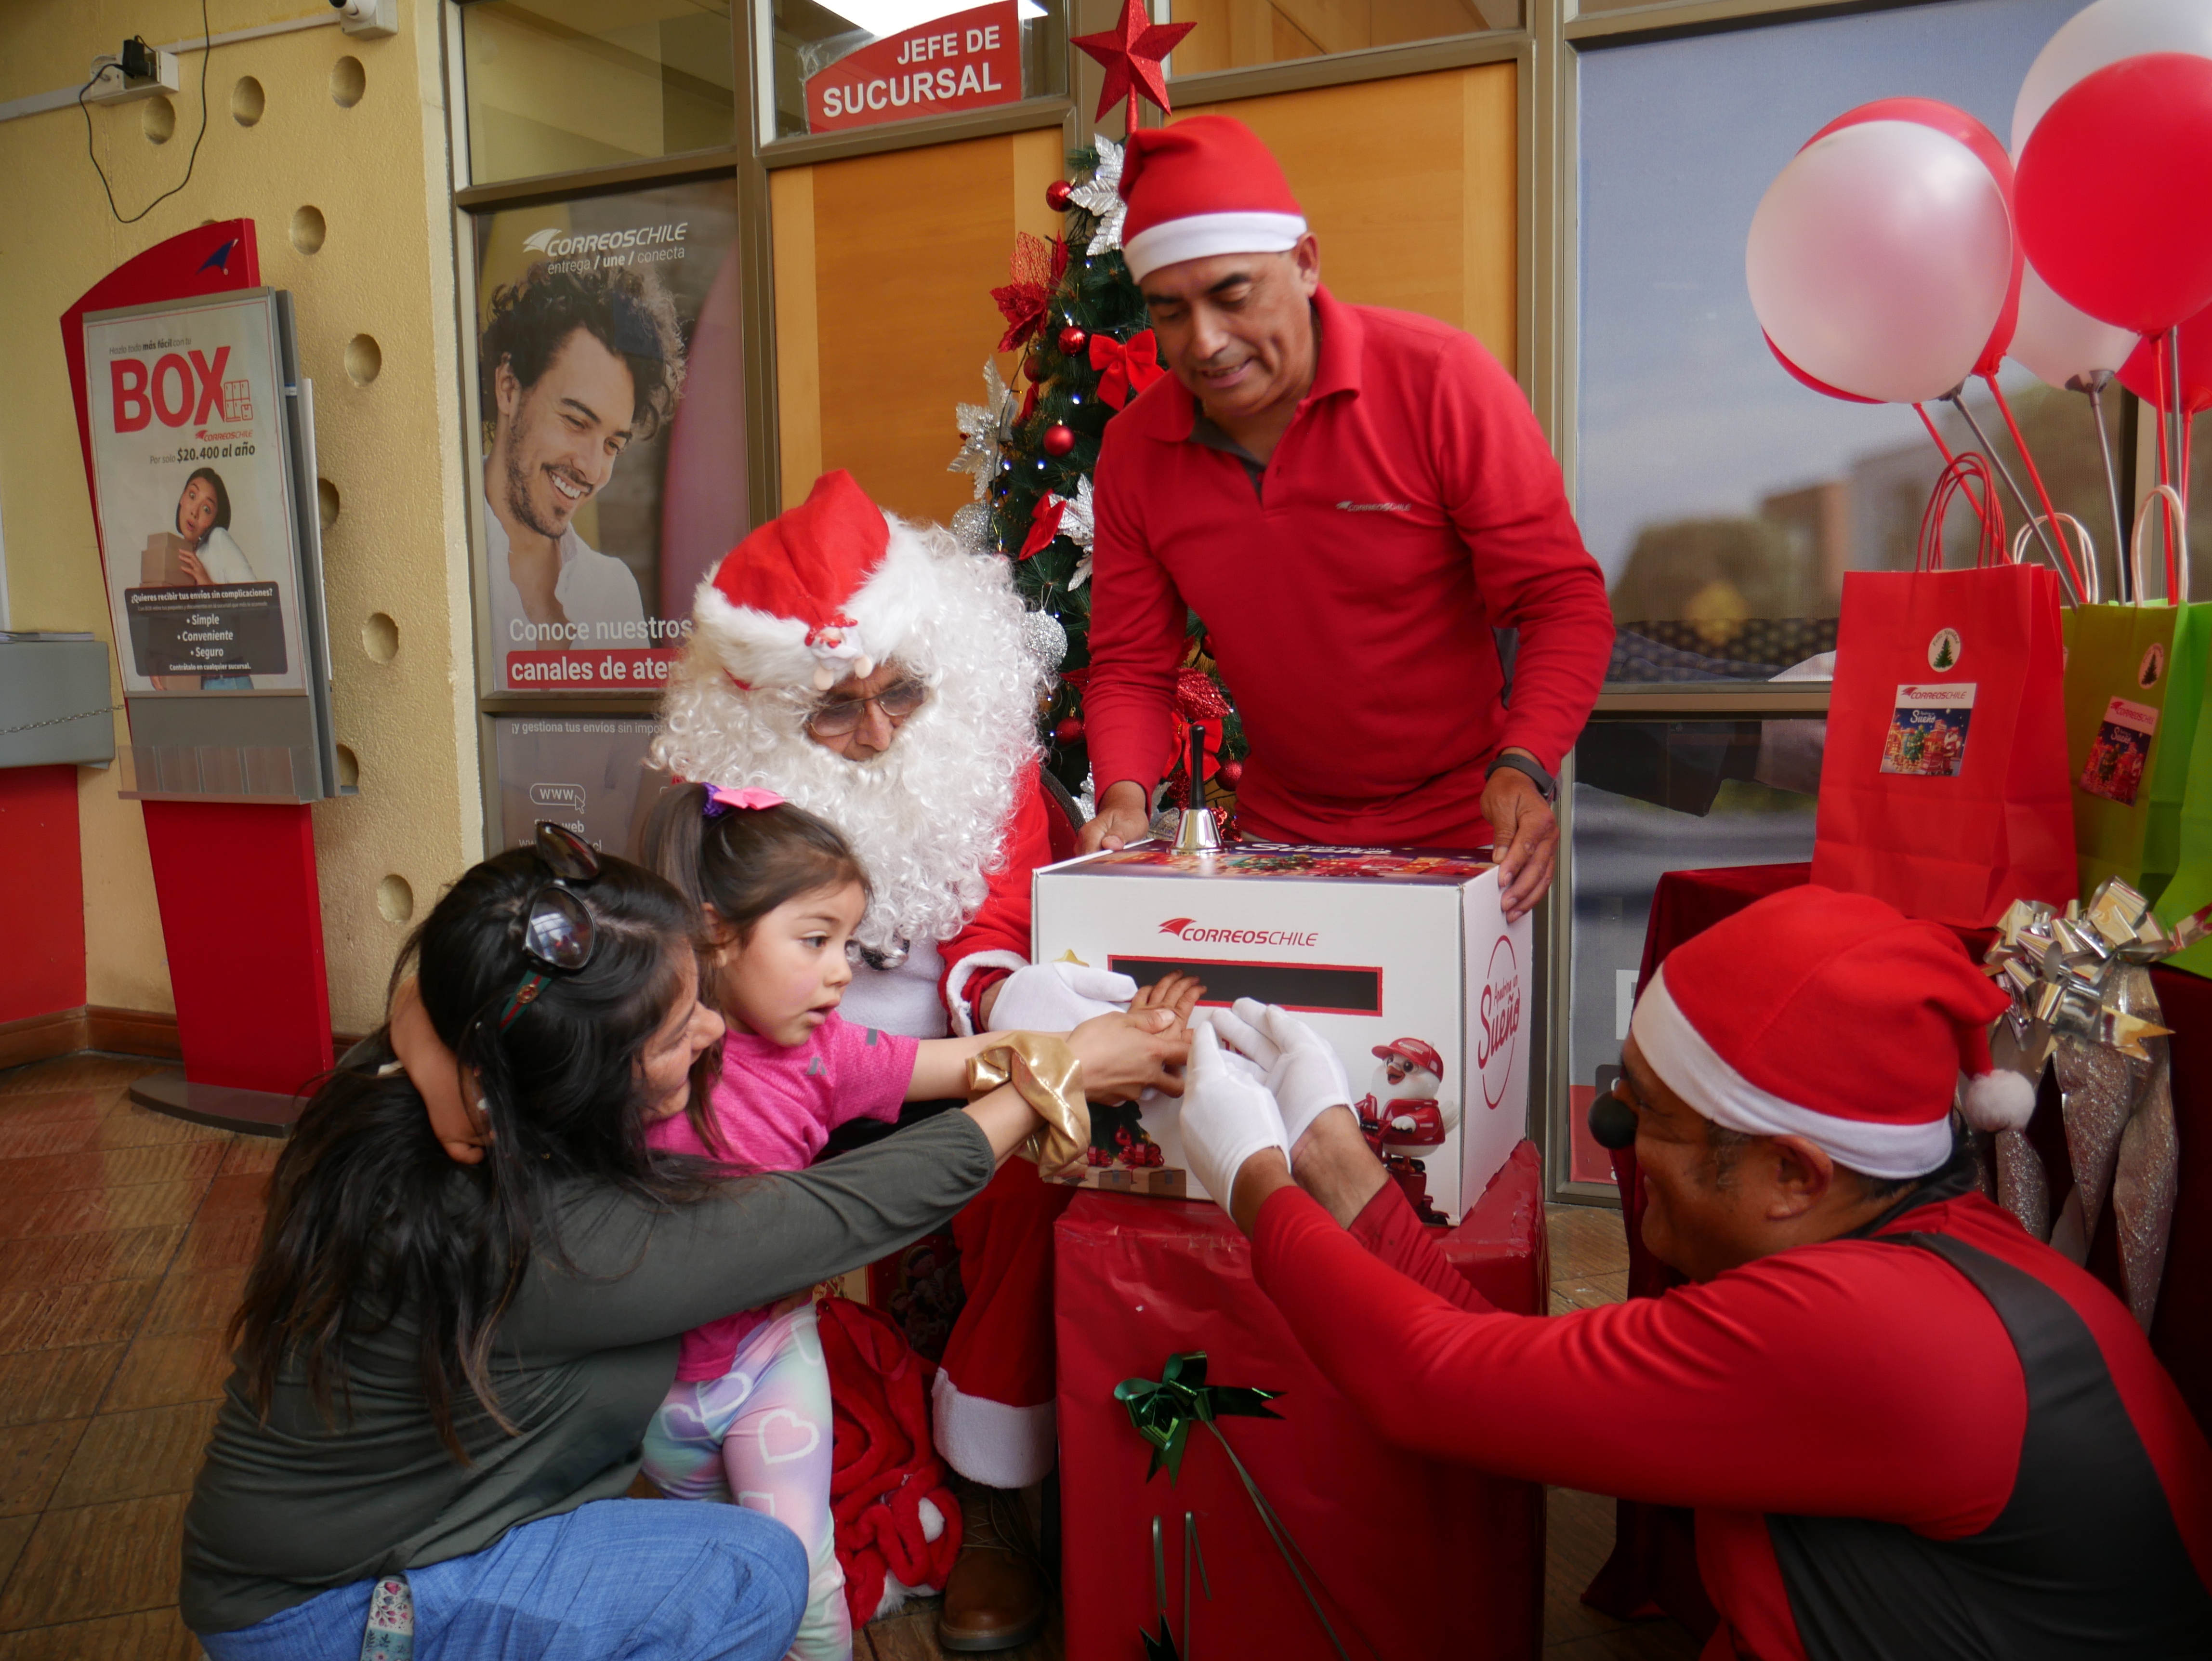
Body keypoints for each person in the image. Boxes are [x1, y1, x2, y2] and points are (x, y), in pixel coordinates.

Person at [181, 824, 1187, 1660]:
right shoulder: (551, 1234)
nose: (712, 1033)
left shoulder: (408, 1084)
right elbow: (828, 1217)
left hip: (302, 1560)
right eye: (673, 1034)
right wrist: (1049, 1081)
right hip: (333, 1611)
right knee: (752, 1573)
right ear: (579, 1081)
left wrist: (422, 1023)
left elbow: (453, 973)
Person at [1173, 884, 2212, 1657]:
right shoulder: (1903, 1246)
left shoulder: (1875, 1331)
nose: (1614, 1136)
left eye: (1650, 1119)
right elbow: (1508, 1369)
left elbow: (1426, 1378)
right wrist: (1326, 1150)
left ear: (1791, 1171)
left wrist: (1250, 1175)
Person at [652, 469, 1141, 1649]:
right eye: (835, 708)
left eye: (902, 694)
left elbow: (1008, 929)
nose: (876, 733)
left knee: (1035, 1176)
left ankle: (987, 1495)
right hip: (776, 1064)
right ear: (771, 705)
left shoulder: (987, 757)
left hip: (952, 1049)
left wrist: (989, 1035)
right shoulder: (720, 797)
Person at [628, 781, 1204, 1659]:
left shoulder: (825, 1054)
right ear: (716, 933)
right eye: (815, 941)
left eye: (847, 944)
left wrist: (1092, 1041)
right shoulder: (628, 1059)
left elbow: (967, 1061)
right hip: (649, 1382)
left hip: (765, 1369)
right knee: (689, 1578)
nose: (841, 971)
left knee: (800, 1575)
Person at [1079, 116, 1616, 920]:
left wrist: (1525, 764)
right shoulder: (1133, 449)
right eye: (1168, 311)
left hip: (1463, 827)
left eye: (1232, 294)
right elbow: (1129, 661)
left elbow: (1559, 602)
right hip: (1279, 831)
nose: (1206, 341)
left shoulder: (1441, 380)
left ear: (1304, 262)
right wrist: (1124, 793)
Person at [480, 263, 680, 687]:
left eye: (613, 445)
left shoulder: (613, 595)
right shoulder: (437, 562)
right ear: (510, 388)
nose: (592, 468)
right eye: (575, 421)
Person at [158, 467, 258, 690]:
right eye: (192, 496)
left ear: (213, 520)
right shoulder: (182, 555)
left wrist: (207, 585)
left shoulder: (218, 541)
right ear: (182, 499)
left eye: (206, 509)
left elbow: (260, 606)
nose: (194, 511)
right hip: (197, 683)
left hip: (227, 680)